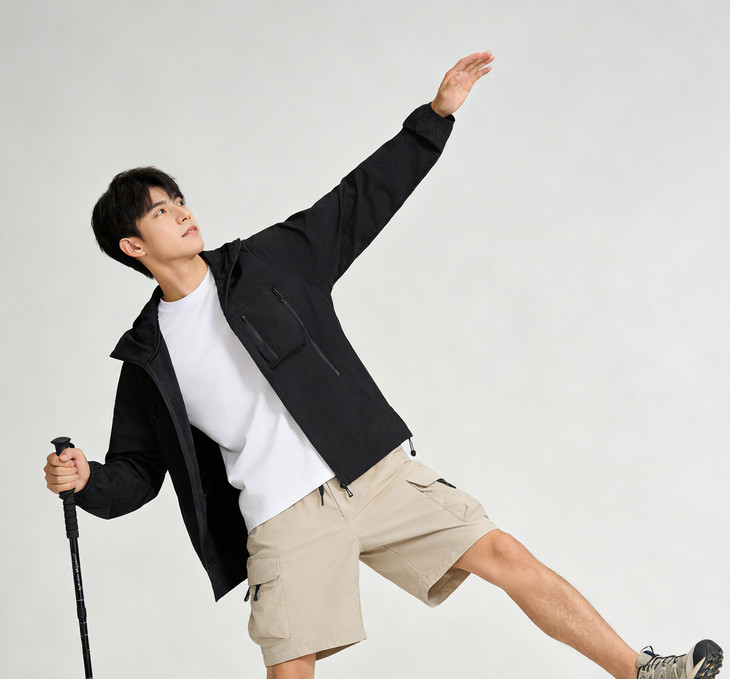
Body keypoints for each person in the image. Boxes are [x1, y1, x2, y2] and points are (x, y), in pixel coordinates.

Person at [44, 52, 722, 679]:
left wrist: (434, 119)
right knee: (291, 669)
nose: (183, 213)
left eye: (178, 200)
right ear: (134, 245)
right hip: (284, 515)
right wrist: (87, 480)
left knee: (504, 554)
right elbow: (137, 472)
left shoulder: (268, 263)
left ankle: (641, 671)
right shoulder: (148, 357)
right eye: (161, 211)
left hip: (372, 471)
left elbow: (356, 201)